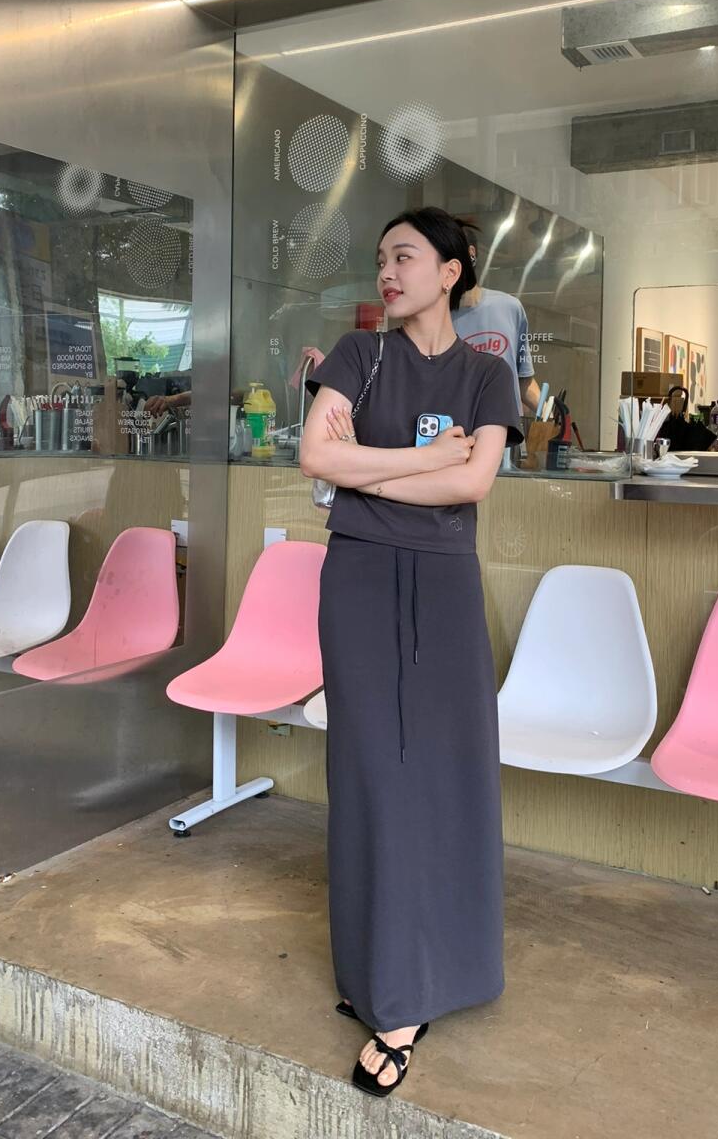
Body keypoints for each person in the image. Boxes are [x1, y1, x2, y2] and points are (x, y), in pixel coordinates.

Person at [299, 206, 523, 1099]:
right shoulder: (358, 355)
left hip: (445, 590)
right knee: (372, 775)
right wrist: (421, 464)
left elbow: (475, 481)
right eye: (381, 259)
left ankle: (448, 969)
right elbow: (316, 458)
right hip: (357, 582)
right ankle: (389, 989)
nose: (387, 273)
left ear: (451, 272)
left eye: (406, 257)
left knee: (446, 775)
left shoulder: (486, 376)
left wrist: (370, 466)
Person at [451, 218, 542, 416]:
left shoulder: (510, 308)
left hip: (508, 430)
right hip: (458, 429)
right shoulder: (434, 319)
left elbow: (523, 381)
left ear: (471, 254)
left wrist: (551, 414)